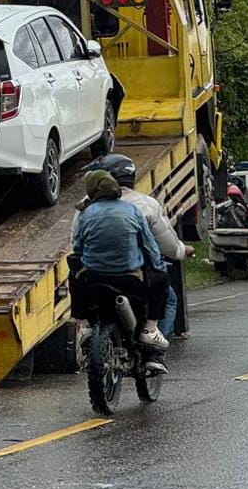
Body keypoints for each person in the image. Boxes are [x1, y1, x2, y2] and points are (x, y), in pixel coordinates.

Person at [70, 170, 170, 372]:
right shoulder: (132, 210)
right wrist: (158, 268)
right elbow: (150, 247)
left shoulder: (85, 213)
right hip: (130, 281)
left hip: (94, 281)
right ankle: (150, 329)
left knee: (73, 272)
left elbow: (77, 248)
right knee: (162, 278)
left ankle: (85, 324)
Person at [87, 154, 195, 339]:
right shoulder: (146, 205)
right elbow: (169, 247)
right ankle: (154, 346)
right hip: (135, 276)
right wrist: (182, 250)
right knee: (169, 300)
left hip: (96, 275)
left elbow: (76, 242)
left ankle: (85, 328)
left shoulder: (87, 207)